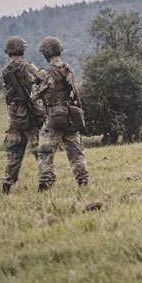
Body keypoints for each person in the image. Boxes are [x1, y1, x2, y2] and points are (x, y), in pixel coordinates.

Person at [30, 37, 89, 191]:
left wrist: (34, 82)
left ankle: (45, 185)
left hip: (54, 119)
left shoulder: (45, 73)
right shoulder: (68, 68)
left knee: (45, 153)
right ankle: (83, 182)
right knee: (76, 152)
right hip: (71, 116)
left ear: (45, 53)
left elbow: (33, 95)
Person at [0, 36, 44, 194]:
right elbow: (40, 83)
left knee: (13, 152)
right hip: (31, 114)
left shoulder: (5, 71)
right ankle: (44, 184)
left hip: (15, 116)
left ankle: (6, 185)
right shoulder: (29, 67)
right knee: (40, 151)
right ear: (22, 50)